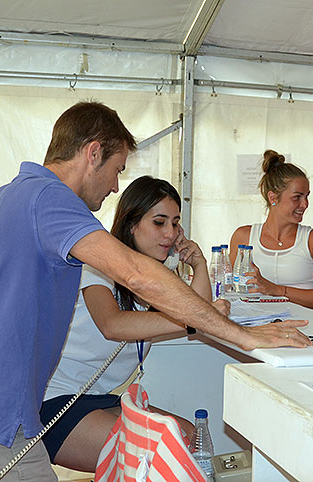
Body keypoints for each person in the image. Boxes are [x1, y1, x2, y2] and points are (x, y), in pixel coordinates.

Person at [0, 102, 311, 481]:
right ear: (92, 153)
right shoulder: (51, 198)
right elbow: (136, 275)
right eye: (117, 168)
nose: (115, 184)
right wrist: (241, 335)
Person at [40, 175, 226, 472]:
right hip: (54, 401)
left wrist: (199, 264)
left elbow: (200, 312)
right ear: (131, 224)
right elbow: (111, 324)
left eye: (175, 223)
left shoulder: (157, 274)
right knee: (161, 452)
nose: (170, 233)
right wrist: (193, 322)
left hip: (98, 398)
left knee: (190, 436)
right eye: (159, 222)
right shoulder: (97, 263)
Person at [229, 150, 313, 311]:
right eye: (297, 197)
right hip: (259, 328)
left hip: (308, 330)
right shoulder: (243, 237)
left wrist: (276, 290)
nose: (305, 204)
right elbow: (232, 290)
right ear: (273, 198)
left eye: (307, 196)